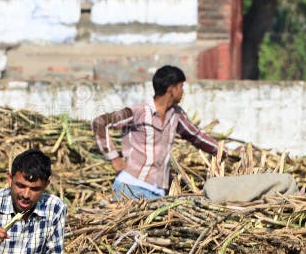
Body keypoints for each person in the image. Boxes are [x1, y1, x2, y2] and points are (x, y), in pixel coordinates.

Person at [92, 65, 219, 199]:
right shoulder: (137, 111)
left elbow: (196, 136)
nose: (183, 92)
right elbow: (100, 123)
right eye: (181, 87)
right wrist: (114, 158)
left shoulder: (176, 115)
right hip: (129, 187)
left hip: (157, 193)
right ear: (171, 89)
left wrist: (224, 151)